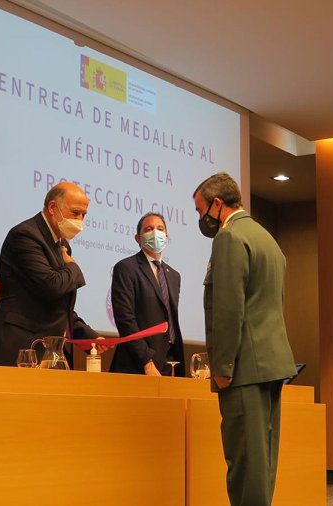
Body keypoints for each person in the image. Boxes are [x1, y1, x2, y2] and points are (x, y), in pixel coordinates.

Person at [193, 172, 296, 506]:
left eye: (200, 210)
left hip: (243, 368)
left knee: (244, 462)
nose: (201, 219)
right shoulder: (266, 237)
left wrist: (221, 365)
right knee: (262, 461)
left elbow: (227, 309)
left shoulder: (229, 237)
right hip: (270, 362)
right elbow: (274, 303)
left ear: (217, 204)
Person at [0, 182, 106, 366]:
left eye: (83, 215)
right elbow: (51, 286)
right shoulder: (25, 235)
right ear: (53, 208)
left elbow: (61, 305)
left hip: (48, 351)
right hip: (18, 348)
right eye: (75, 213)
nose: (80, 221)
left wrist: (87, 336)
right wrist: (74, 268)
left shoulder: (62, 245)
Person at [109, 212, 185, 377]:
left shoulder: (174, 275)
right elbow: (125, 320)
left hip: (170, 361)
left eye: (160, 229)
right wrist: (146, 361)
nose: (155, 233)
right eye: (149, 229)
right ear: (138, 238)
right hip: (138, 364)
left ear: (166, 236)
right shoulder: (126, 268)